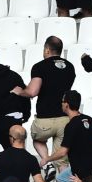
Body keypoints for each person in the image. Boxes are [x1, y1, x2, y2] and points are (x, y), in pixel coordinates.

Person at [12, 36, 76, 166]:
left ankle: (46, 161)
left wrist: (19, 91)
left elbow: (32, 92)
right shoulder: (70, 67)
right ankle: (58, 171)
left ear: (47, 50)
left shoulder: (40, 66)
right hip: (65, 118)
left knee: (37, 139)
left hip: (44, 119)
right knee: (61, 161)